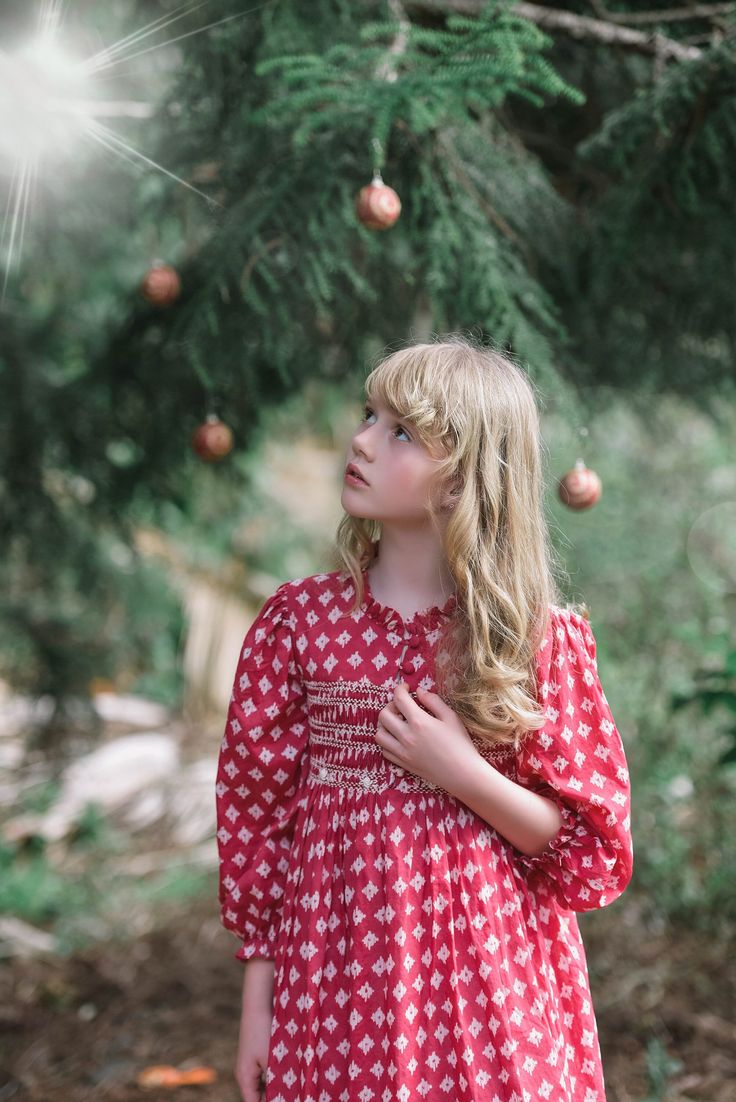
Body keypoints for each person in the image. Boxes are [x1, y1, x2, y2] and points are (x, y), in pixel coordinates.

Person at [215, 334, 634, 1102]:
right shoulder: (300, 625)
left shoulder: (532, 639)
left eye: (401, 431)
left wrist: (463, 774)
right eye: (369, 415)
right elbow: (260, 828)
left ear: (462, 479)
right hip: (338, 998)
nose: (363, 440)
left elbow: (586, 850)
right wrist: (258, 1010)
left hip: (494, 994)